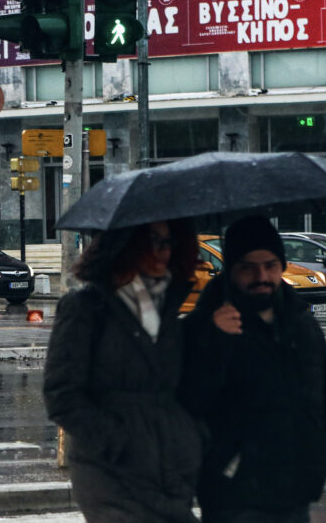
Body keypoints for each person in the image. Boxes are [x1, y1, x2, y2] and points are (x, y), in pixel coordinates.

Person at [180, 215, 326, 523]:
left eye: (270, 265)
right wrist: (212, 339)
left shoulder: (300, 321)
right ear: (231, 270)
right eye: (248, 267)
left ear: (281, 265)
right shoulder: (204, 324)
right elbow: (190, 399)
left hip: (295, 487)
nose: (261, 276)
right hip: (232, 492)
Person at [44, 220, 204, 522]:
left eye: (169, 242)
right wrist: (118, 442)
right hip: (110, 471)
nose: (163, 251)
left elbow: (182, 388)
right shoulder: (86, 308)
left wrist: (189, 440)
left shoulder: (165, 308)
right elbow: (61, 394)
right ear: (125, 245)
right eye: (153, 240)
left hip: (169, 469)